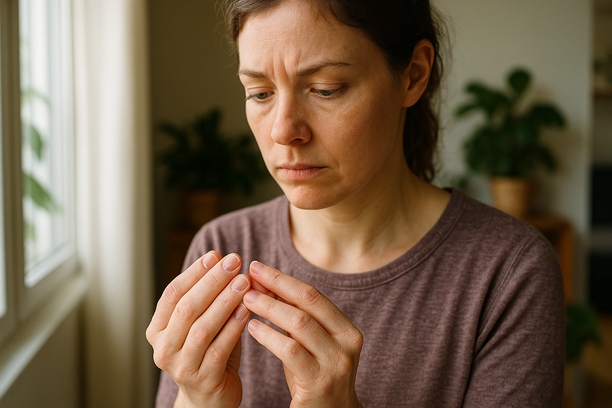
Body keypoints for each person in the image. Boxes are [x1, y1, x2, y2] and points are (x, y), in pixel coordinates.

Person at [146, 0, 565, 406]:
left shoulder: (509, 272)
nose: (283, 130)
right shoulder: (221, 250)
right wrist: (198, 401)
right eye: (259, 93)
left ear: (413, 75)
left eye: (325, 89)